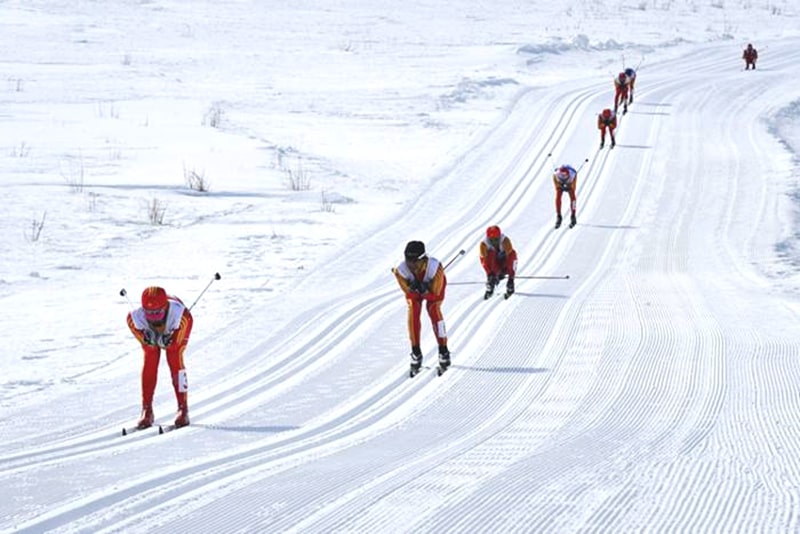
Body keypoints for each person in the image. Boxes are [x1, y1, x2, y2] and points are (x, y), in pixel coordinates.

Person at [126, 286, 193, 429]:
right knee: (150, 356)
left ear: (166, 307)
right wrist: (147, 338)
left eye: (157, 313)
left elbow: (174, 346)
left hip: (175, 328)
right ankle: (147, 410)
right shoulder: (135, 318)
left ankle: (183, 408)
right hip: (155, 333)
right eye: (148, 313)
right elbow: (144, 340)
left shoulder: (181, 316)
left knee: (174, 356)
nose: (153, 317)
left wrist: (169, 341)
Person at [394, 240, 450, 375]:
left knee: (433, 310)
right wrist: (412, 288)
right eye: (408, 260)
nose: (411, 265)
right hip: (417, 290)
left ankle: (443, 350)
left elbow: (435, 293)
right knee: (413, 309)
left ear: (423, 259)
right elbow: (407, 291)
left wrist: (426, 289)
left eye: (414, 261)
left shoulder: (435, 268)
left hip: (434, 288)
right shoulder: (400, 271)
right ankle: (415, 351)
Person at [480, 225, 518, 299]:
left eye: (496, 239)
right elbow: (484, 262)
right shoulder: (484, 245)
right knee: (489, 254)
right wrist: (489, 274)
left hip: (505, 265)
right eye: (492, 240)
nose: (494, 242)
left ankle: (510, 285)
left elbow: (513, 260)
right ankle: (491, 284)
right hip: (494, 266)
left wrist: (511, 278)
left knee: (512, 254)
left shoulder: (505, 242)